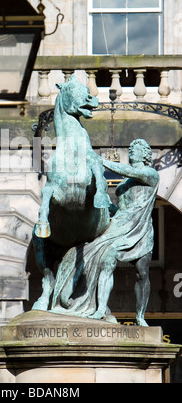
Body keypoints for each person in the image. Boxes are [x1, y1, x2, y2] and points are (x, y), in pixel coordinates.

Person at [51, 139, 159, 327]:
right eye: (131, 148)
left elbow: (132, 172)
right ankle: (99, 308)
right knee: (104, 257)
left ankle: (140, 316)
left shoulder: (150, 174)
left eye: (138, 149)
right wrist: (106, 206)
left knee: (142, 273)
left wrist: (100, 161)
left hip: (139, 228)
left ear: (146, 154)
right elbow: (121, 208)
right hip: (119, 225)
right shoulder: (126, 182)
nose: (133, 150)